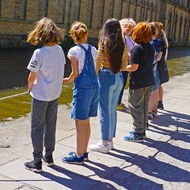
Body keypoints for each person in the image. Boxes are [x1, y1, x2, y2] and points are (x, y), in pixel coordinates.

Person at [24, 17, 65, 173]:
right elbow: (59, 69)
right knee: (51, 126)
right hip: (54, 94)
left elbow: (31, 77)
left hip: (41, 96)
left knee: (37, 128)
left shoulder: (39, 53)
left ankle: (36, 161)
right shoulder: (60, 50)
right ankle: (49, 157)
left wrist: (30, 87)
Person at [62, 22, 99, 164]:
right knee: (87, 122)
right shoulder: (93, 49)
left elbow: (75, 73)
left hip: (83, 89)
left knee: (79, 123)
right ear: (86, 34)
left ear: (73, 36)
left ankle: (78, 155)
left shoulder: (73, 51)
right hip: (95, 87)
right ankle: (84, 152)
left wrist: (67, 80)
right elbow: (96, 69)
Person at [89, 18, 128, 153]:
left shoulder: (104, 42)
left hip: (106, 76)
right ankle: (110, 140)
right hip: (119, 78)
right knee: (112, 110)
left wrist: (93, 77)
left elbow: (98, 61)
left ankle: (104, 143)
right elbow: (124, 65)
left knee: (104, 111)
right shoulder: (123, 44)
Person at [124, 22, 155, 142]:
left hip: (138, 82)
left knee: (135, 106)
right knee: (144, 105)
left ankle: (138, 133)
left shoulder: (137, 48)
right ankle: (143, 129)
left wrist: (123, 68)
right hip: (149, 80)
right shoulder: (150, 47)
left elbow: (134, 67)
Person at [116, 18, 136, 112]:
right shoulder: (121, 37)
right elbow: (123, 50)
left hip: (127, 63)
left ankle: (118, 101)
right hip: (123, 63)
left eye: (130, 27)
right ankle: (116, 103)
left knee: (123, 83)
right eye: (126, 26)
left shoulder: (129, 37)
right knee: (121, 82)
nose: (128, 28)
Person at [148, 22, 162, 119]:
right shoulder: (158, 42)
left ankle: (149, 112)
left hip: (152, 70)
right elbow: (159, 57)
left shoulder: (151, 43)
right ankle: (154, 110)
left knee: (152, 91)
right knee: (156, 90)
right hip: (156, 68)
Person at [155, 23, 169, 110]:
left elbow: (158, 57)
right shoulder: (163, 39)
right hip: (162, 64)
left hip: (158, 65)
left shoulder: (159, 41)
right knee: (159, 85)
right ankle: (160, 103)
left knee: (156, 85)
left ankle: (156, 103)